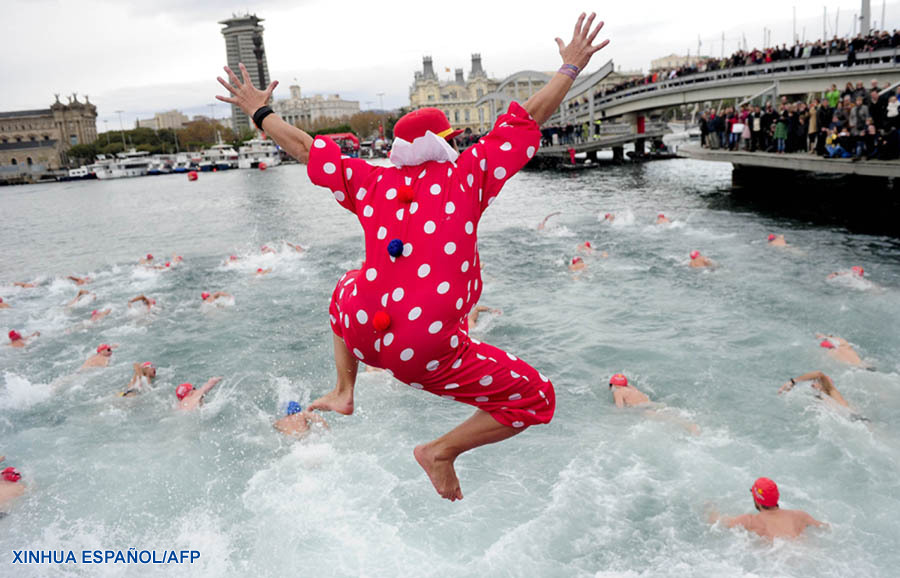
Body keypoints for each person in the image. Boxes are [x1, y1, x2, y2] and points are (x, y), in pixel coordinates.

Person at [215, 10, 608, 502]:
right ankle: (440, 452)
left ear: (398, 149)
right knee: (534, 398)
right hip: (422, 348)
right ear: (446, 145)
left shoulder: (372, 180)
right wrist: (569, 68)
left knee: (345, 285)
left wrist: (259, 112)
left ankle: (343, 389)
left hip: (363, 328)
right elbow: (529, 117)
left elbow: (305, 147)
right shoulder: (466, 176)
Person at [708, 477, 826, 539]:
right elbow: (825, 528)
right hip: (805, 553)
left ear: (757, 500)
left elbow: (718, 523)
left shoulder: (749, 520)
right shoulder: (800, 515)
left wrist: (708, 506)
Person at [608, 373, 699, 434]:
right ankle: (688, 423)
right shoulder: (631, 388)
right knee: (666, 415)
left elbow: (619, 409)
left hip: (642, 408)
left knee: (668, 419)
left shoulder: (618, 392)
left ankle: (690, 426)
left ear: (613, 385)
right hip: (650, 403)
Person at [778, 370, 853, 410]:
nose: (812, 385)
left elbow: (818, 373)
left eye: (816, 381)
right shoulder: (819, 399)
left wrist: (793, 381)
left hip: (855, 419)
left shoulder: (830, 391)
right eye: (812, 382)